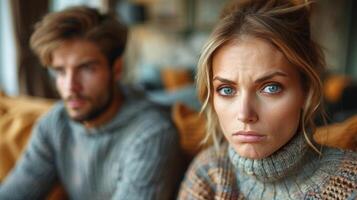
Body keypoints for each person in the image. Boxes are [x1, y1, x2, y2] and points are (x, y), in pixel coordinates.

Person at [178, 0, 357, 199]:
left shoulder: (348, 185)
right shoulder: (208, 174)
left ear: (306, 91)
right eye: (227, 89)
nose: (245, 114)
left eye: (271, 88)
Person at [0, 6, 183, 200]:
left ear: (117, 69)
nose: (71, 86)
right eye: (60, 71)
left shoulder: (152, 135)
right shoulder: (54, 123)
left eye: (86, 68)